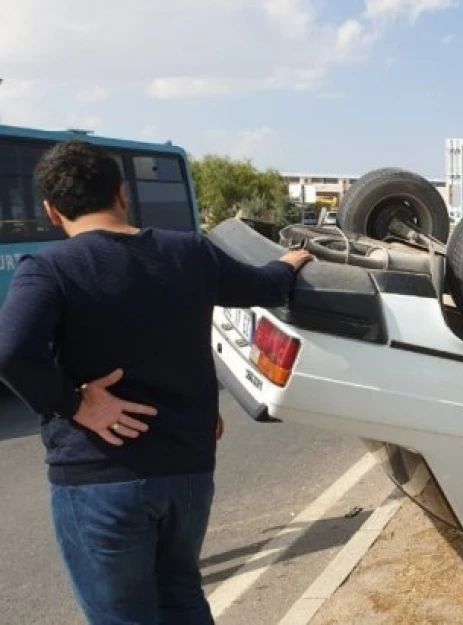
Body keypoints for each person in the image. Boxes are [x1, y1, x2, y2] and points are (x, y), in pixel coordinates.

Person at [0, 140, 314, 624]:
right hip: (187, 475)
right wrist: (291, 262)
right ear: (122, 194)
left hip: (99, 479)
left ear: (50, 211)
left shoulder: (49, 270)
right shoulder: (189, 252)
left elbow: (12, 352)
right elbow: (265, 286)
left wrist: (77, 405)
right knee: (184, 602)